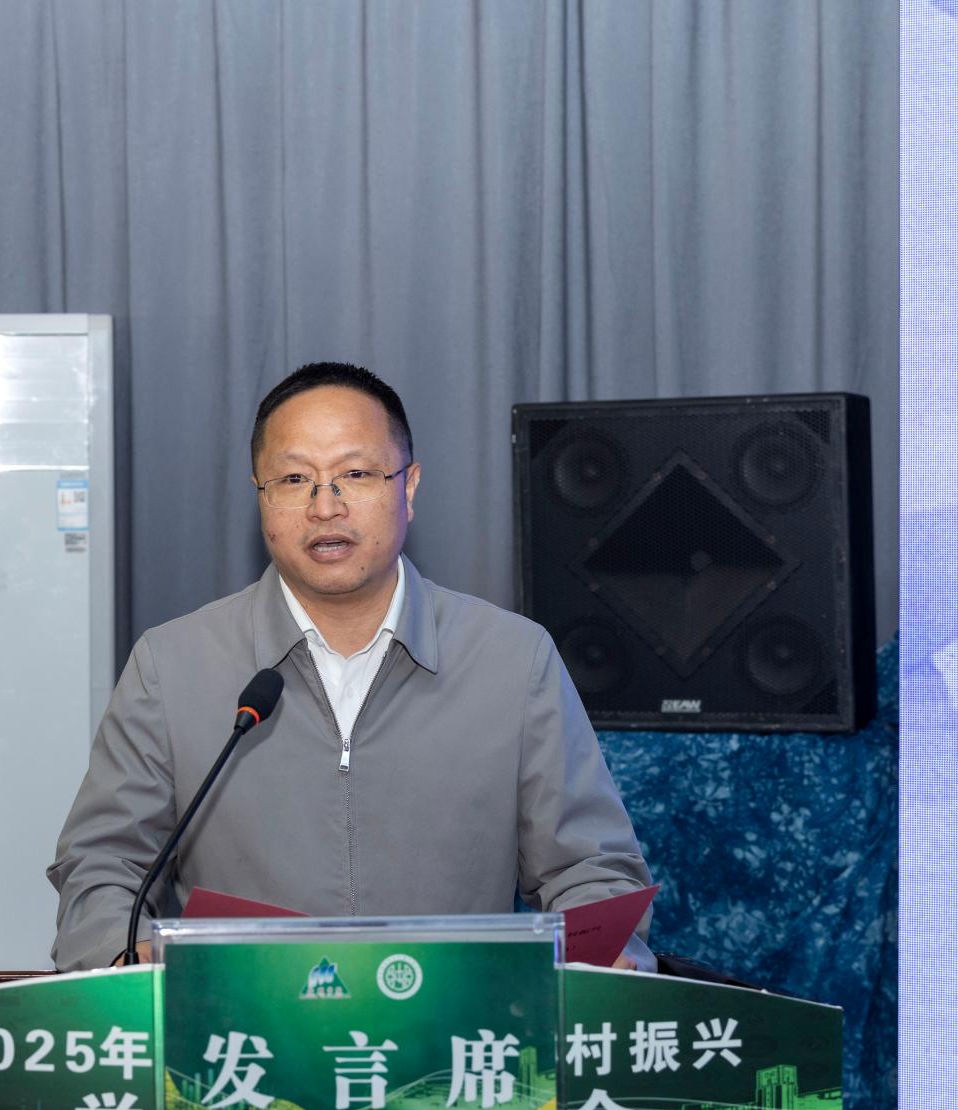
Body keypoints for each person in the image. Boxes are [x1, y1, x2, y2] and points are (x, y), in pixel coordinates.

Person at [48, 362, 656, 972]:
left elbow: (590, 867)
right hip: (241, 1023)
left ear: (408, 487)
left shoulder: (512, 659)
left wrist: (605, 961)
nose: (325, 507)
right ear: (260, 494)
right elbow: (103, 866)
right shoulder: (173, 664)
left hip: (458, 1021)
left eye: (355, 474)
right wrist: (124, 956)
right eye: (294, 478)